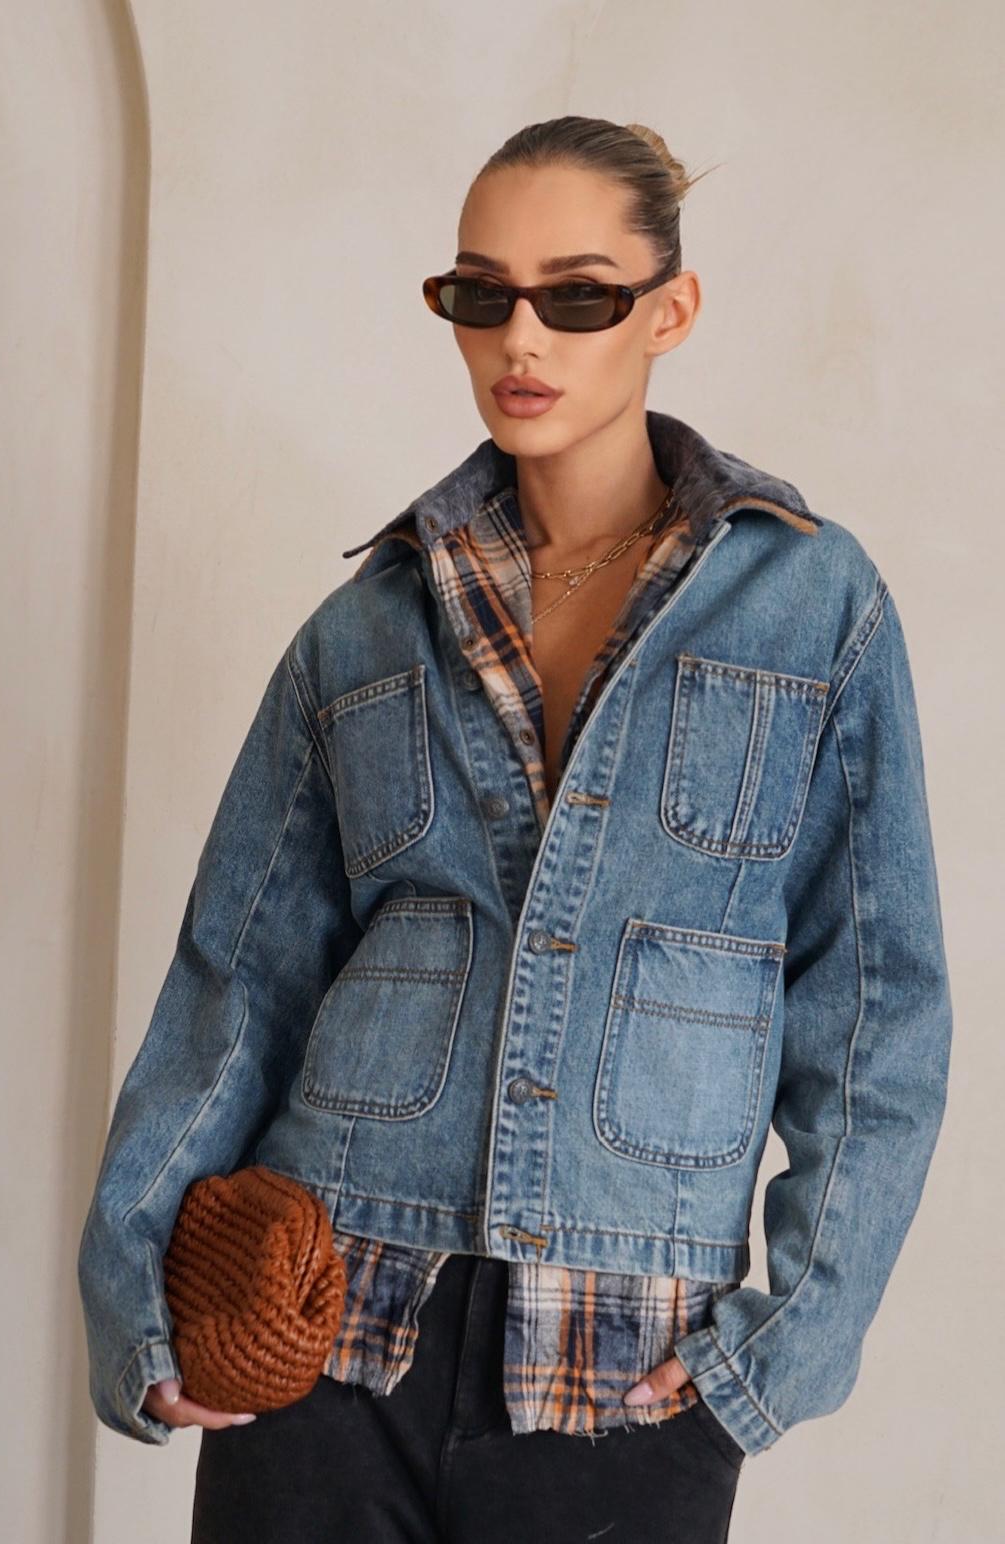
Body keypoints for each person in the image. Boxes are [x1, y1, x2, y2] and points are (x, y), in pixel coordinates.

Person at [78, 117, 953, 1543]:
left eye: (578, 294)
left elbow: (875, 1012)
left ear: (670, 309)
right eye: (480, 294)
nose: (520, 337)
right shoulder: (368, 624)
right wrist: (133, 1295)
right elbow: (236, 984)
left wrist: (784, 1344)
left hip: (623, 1368)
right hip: (329, 1328)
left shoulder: (810, 606)